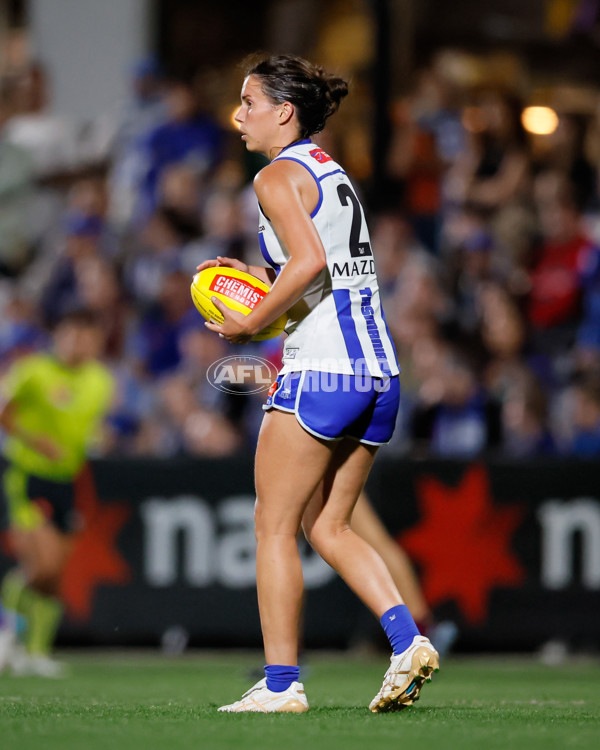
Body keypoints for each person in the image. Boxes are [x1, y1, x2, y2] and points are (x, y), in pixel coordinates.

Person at [198, 54, 439, 713]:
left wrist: (250, 319)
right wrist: (263, 291)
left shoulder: (274, 175)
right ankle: (405, 638)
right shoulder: (328, 171)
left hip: (324, 370)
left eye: (248, 102)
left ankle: (281, 685)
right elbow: (324, 270)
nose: (237, 115)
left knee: (272, 524)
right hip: (378, 371)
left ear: (283, 112)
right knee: (326, 524)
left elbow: (305, 263)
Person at [0, 309, 114, 676]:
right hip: (28, 474)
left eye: (86, 336)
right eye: (71, 333)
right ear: (58, 335)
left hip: (69, 480)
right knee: (45, 563)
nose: (78, 342)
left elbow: (90, 429)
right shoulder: (32, 371)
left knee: (54, 573)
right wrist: (36, 442)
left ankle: (33, 652)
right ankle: (7, 634)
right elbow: (4, 413)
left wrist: (100, 439)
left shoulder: (100, 381)